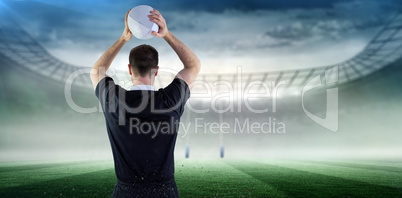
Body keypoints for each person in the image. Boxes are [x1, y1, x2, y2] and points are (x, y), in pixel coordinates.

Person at [90, 8, 201, 198]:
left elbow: (96, 71)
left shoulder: (114, 99)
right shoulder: (171, 99)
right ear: (156, 70)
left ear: (129, 69)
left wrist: (123, 38)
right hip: (164, 192)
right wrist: (166, 34)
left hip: (126, 192)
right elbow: (193, 65)